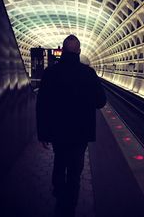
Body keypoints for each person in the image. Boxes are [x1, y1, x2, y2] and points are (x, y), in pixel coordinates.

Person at [36, 35, 106, 217]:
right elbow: (101, 102)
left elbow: (41, 105)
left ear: (63, 51)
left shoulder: (50, 73)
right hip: (80, 134)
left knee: (59, 162)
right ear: (79, 52)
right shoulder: (88, 74)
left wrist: (42, 134)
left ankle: (59, 197)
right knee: (75, 170)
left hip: (58, 132)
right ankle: (71, 206)